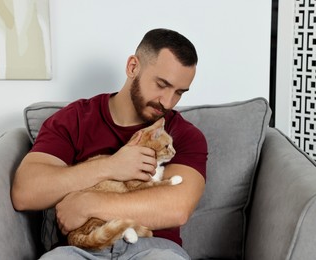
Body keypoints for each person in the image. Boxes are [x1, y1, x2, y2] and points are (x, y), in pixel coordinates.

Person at [11, 28, 208, 260]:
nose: (168, 102)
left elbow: (176, 208)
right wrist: (111, 166)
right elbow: (25, 192)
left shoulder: (183, 135)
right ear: (133, 67)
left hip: (153, 248)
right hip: (81, 249)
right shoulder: (74, 119)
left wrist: (87, 204)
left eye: (179, 93)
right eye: (161, 85)